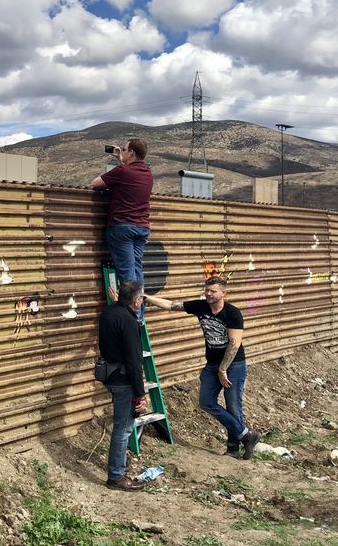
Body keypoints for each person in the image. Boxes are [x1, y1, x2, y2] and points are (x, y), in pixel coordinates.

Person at [143, 276, 260, 459]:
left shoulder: (233, 313)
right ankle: (246, 435)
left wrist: (223, 369)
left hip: (233, 365)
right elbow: (172, 305)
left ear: (223, 293)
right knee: (206, 402)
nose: (208, 293)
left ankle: (233, 449)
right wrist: (146, 297)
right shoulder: (201, 306)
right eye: (207, 290)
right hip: (212, 364)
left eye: (213, 291)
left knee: (233, 407)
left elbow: (234, 344)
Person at [90, 139, 153, 320]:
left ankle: (132, 316)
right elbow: (129, 177)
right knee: (136, 271)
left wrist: (120, 164)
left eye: (124, 150)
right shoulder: (148, 173)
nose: (122, 152)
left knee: (126, 274)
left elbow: (95, 183)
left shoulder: (123, 171)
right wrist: (121, 159)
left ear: (131, 152)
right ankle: (140, 314)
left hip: (122, 227)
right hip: (141, 228)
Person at [98, 280, 149, 491]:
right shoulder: (129, 321)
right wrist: (140, 394)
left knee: (122, 426)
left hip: (110, 375)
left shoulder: (109, 312)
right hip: (123, 380)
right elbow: (134, 362)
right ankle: (116, 476)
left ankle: (118, 465)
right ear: (136, 301)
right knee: (124, 428)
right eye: (142, 297)